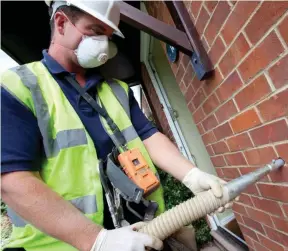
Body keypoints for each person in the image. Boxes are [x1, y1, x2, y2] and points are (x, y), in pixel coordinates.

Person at [0, 1, 230, 251]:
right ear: (61, 22)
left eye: (108, 37)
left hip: (144, 235)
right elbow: (11, 181)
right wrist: (97, 240)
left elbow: (148, 136)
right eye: (95, 31)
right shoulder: (19, 86)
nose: (103, 45)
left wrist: (191, 174)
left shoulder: (116, 90)